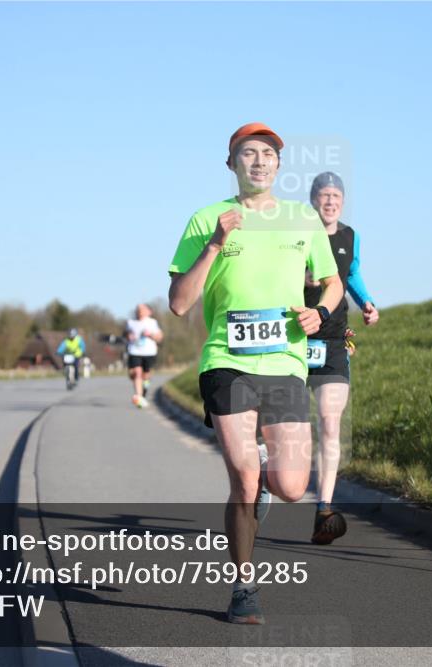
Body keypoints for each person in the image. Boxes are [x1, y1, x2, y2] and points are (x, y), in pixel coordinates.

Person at [168, 122, 343, 624]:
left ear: (279, 165)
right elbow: (179, 303)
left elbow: (331, 282)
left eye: (268, 153)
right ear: (232, 164)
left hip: (285, 363)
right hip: (227, 361)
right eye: (249, 153)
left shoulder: (302, 218)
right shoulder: (207, 219)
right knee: (243, 480)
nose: (260, 160)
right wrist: (214, 245)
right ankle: (244, 586)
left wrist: (320, 313)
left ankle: (267, 475)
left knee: (290, 486)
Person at [303, 172, 379, 545]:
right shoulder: (295, 233)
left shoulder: (351, 236)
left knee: (330, 423)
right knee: (284, 423)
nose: (330, 201)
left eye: (336, 195)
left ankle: (324, 509)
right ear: (313, 200)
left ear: (343, 202)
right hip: (292, 339)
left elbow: (353, 274)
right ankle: (267, 479)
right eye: (324, 195)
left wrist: (366, 302)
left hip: (333, 341)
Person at [126, 303, 163, 408]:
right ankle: (139, 396)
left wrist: (150, 335)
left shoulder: (152, 322)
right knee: (137, 373)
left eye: (142, 309)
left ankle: (144, 391)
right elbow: (126, 334)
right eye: (138, 309)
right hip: (134, 351)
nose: (139, 311)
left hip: (149, 352)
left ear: (148, 311)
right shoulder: (131, 322)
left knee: (146, 375)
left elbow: (159, 337)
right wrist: (129, 336)